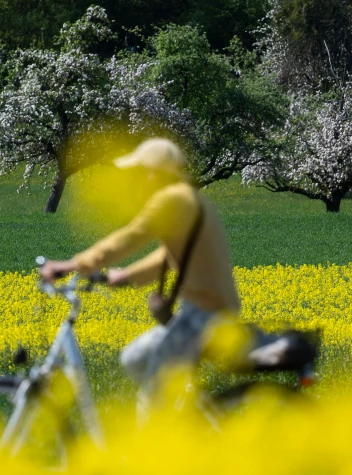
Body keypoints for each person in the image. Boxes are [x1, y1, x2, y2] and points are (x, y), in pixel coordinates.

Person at [38, 137, 240, 421]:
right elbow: (167, 258)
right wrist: (127, 276)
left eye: (139, 173)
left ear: (153, 173)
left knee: (156, 382)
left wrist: (71, 265)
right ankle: (188, 425)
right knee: (135, 358)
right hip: (204, 311)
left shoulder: (172, 199)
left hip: (206, 315)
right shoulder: (187, 198)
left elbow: (129, 238)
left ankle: (151, 453)